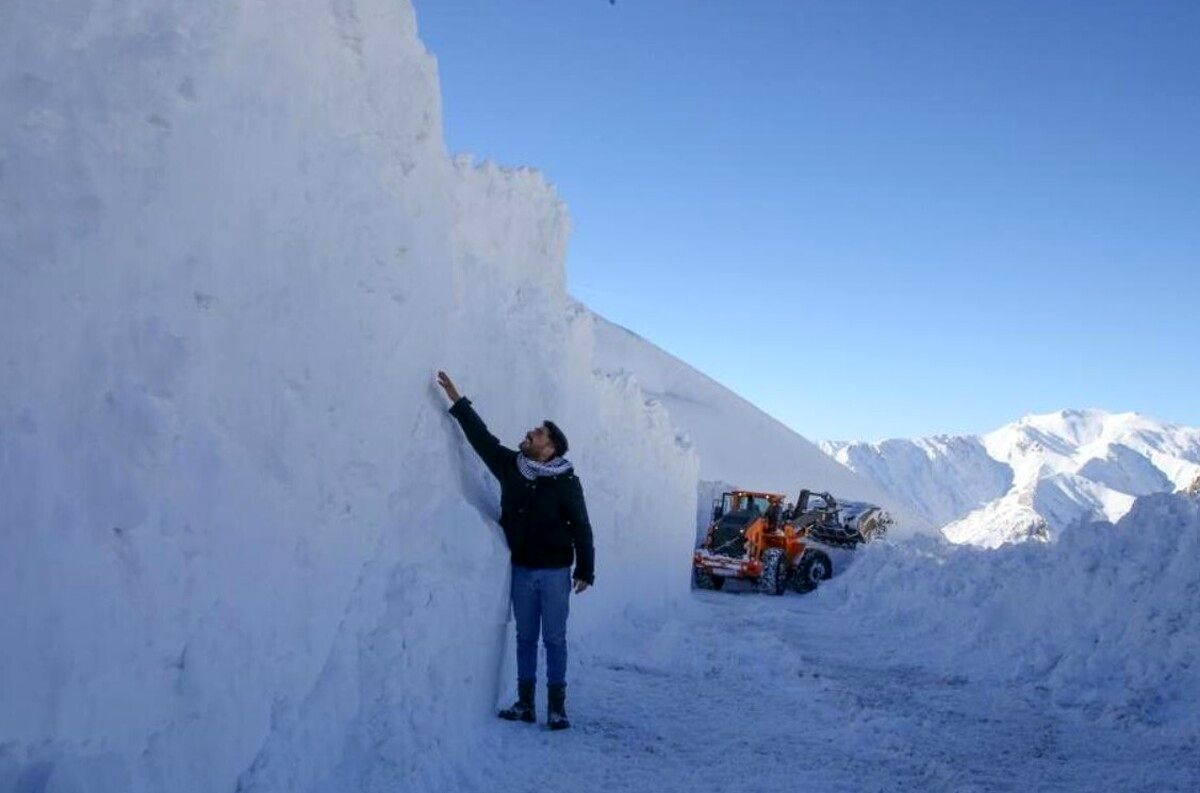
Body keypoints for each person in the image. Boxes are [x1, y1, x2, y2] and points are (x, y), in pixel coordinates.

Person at [436, 370, 594, 731]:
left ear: (550, 447)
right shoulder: (513, 467)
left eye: (538, 433)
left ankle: (556, 707)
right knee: (524, 638)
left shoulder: (566, 482)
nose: (530, 433)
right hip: (523, 570)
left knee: (554, 639)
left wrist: (586, 568)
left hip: (555, 573)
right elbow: (483, 440)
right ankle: (525, 703)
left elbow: (581, 526)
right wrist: (457, 401)